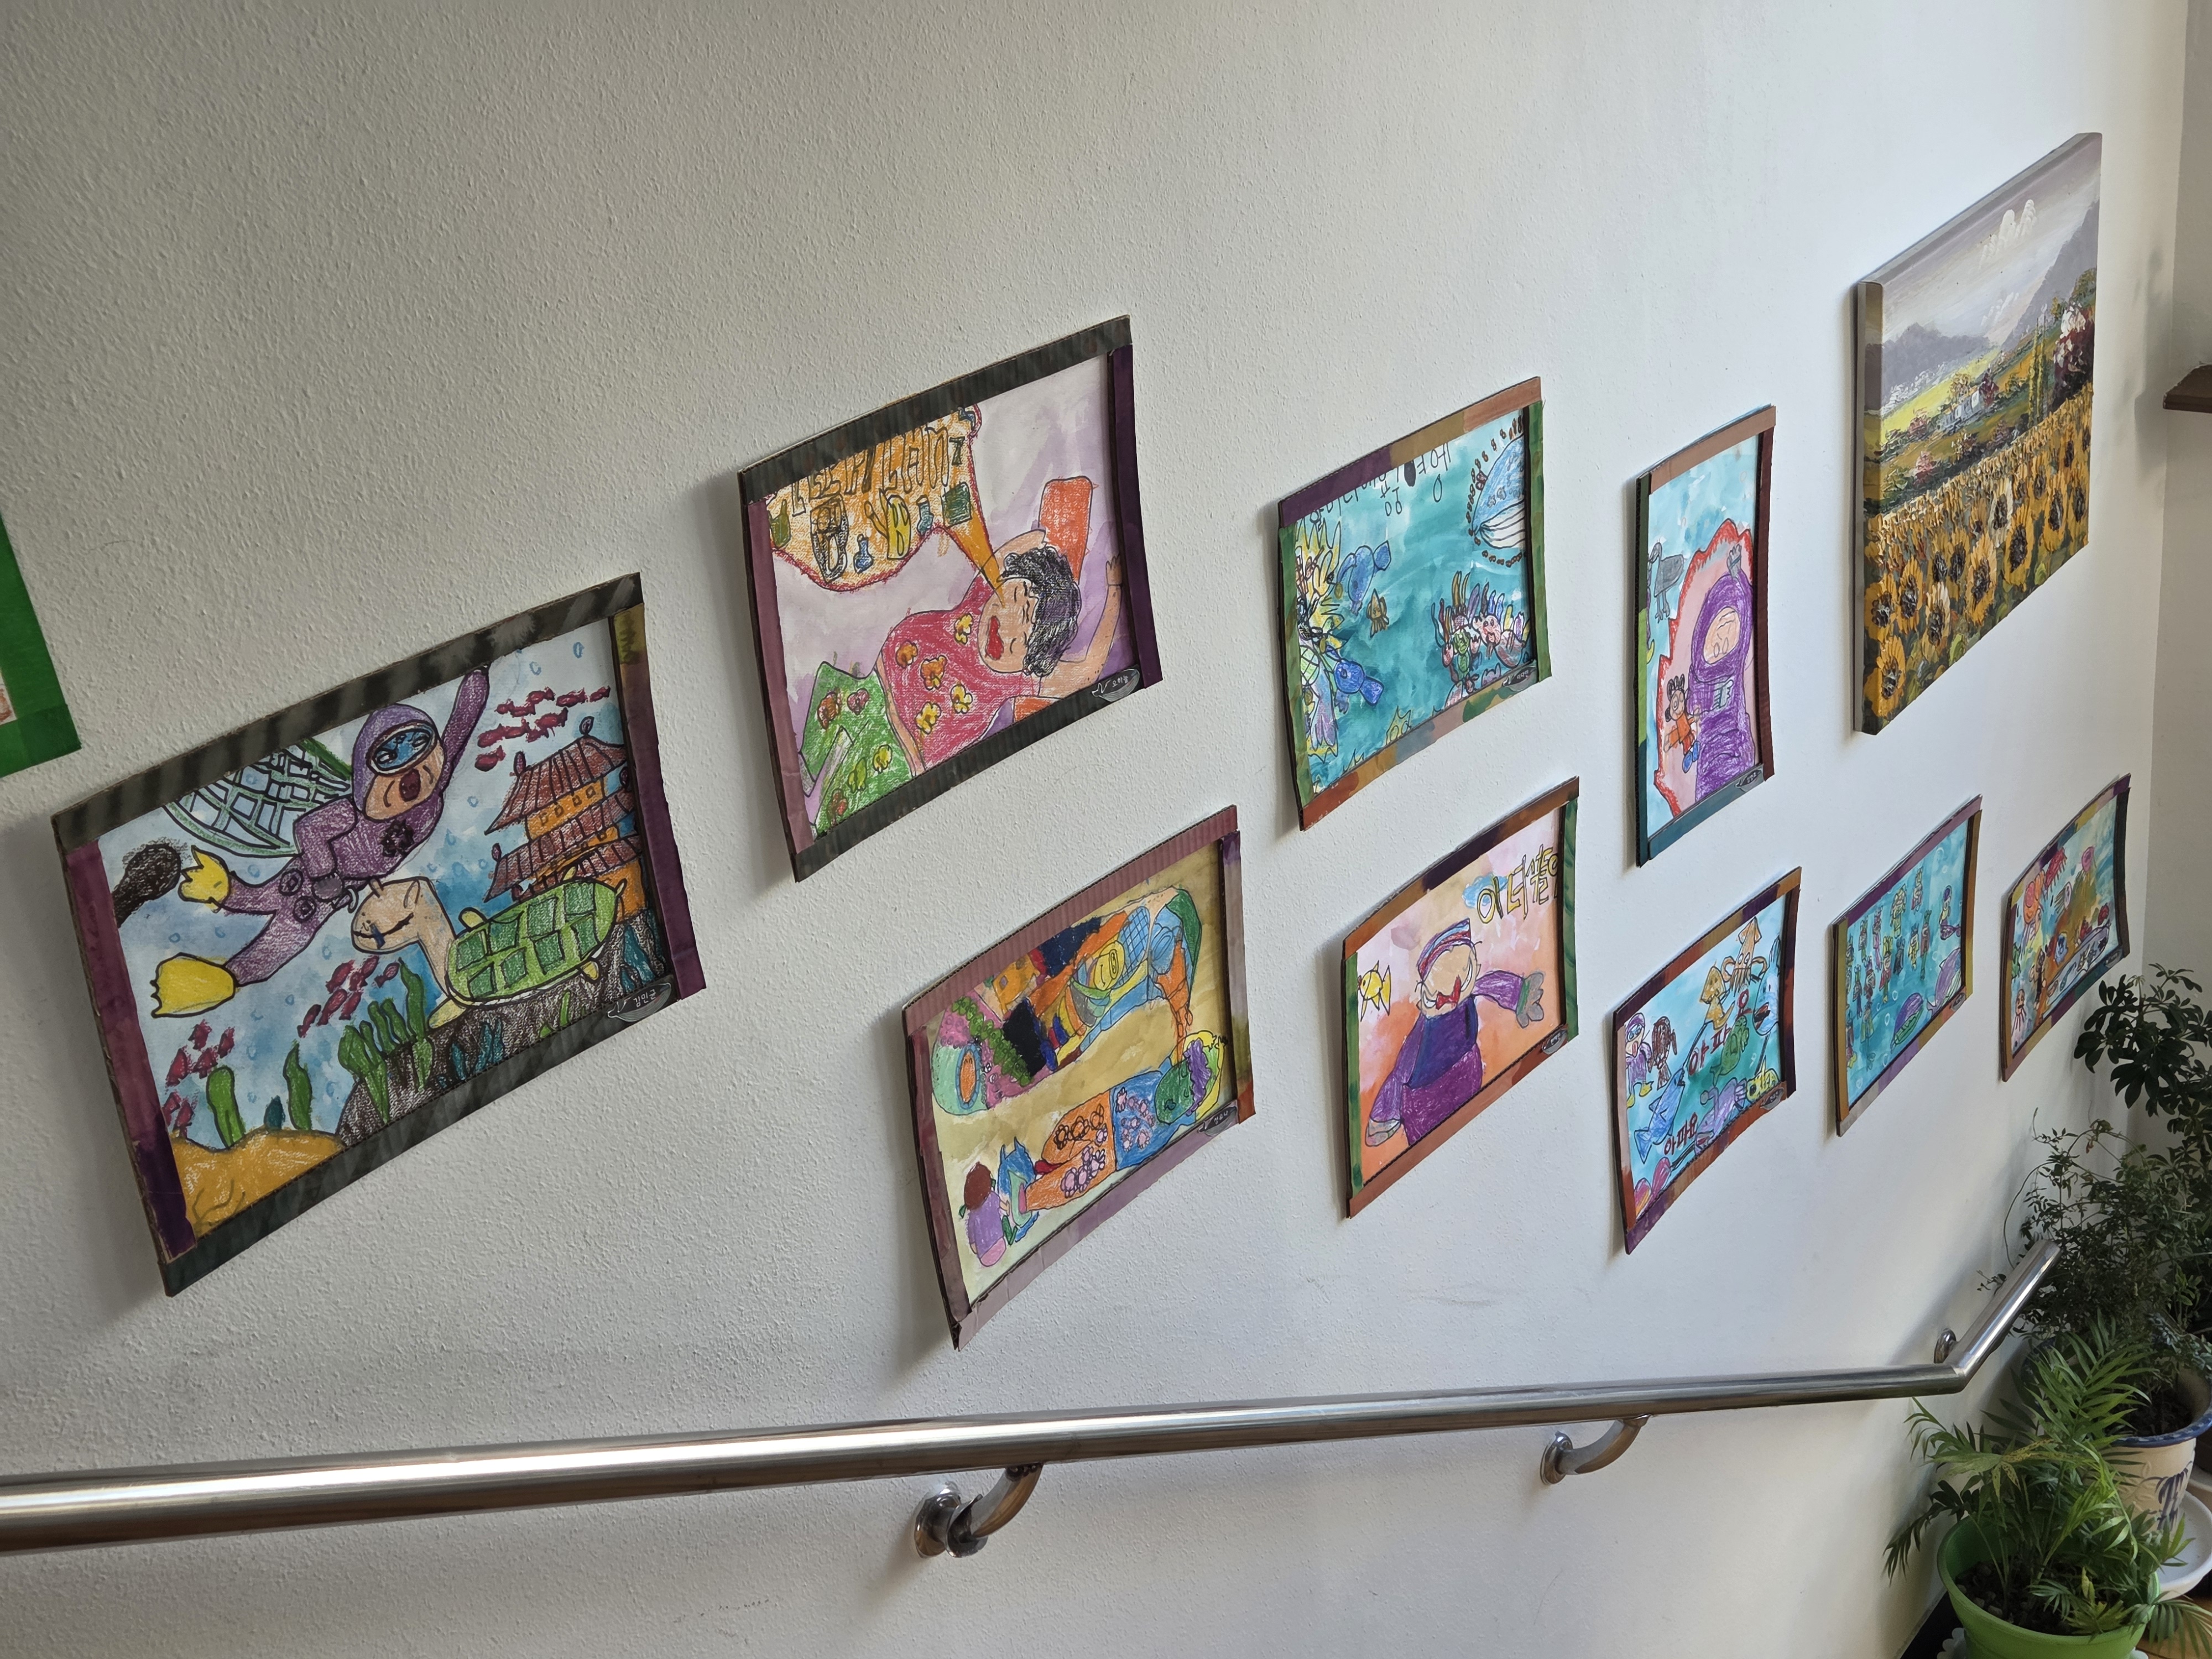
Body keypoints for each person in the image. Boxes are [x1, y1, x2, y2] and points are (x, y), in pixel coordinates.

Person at [1364, 920, 1545, 1150]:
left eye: (1464, 975)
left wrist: (1521, 994)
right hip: (1425, 1105)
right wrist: (1384, 1116)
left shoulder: (1466, 994)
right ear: (1424, 989)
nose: (1454, 993)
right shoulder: (1421, 1033)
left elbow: (1491, 985)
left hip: (1468, 1079)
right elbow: (1401, 1074)